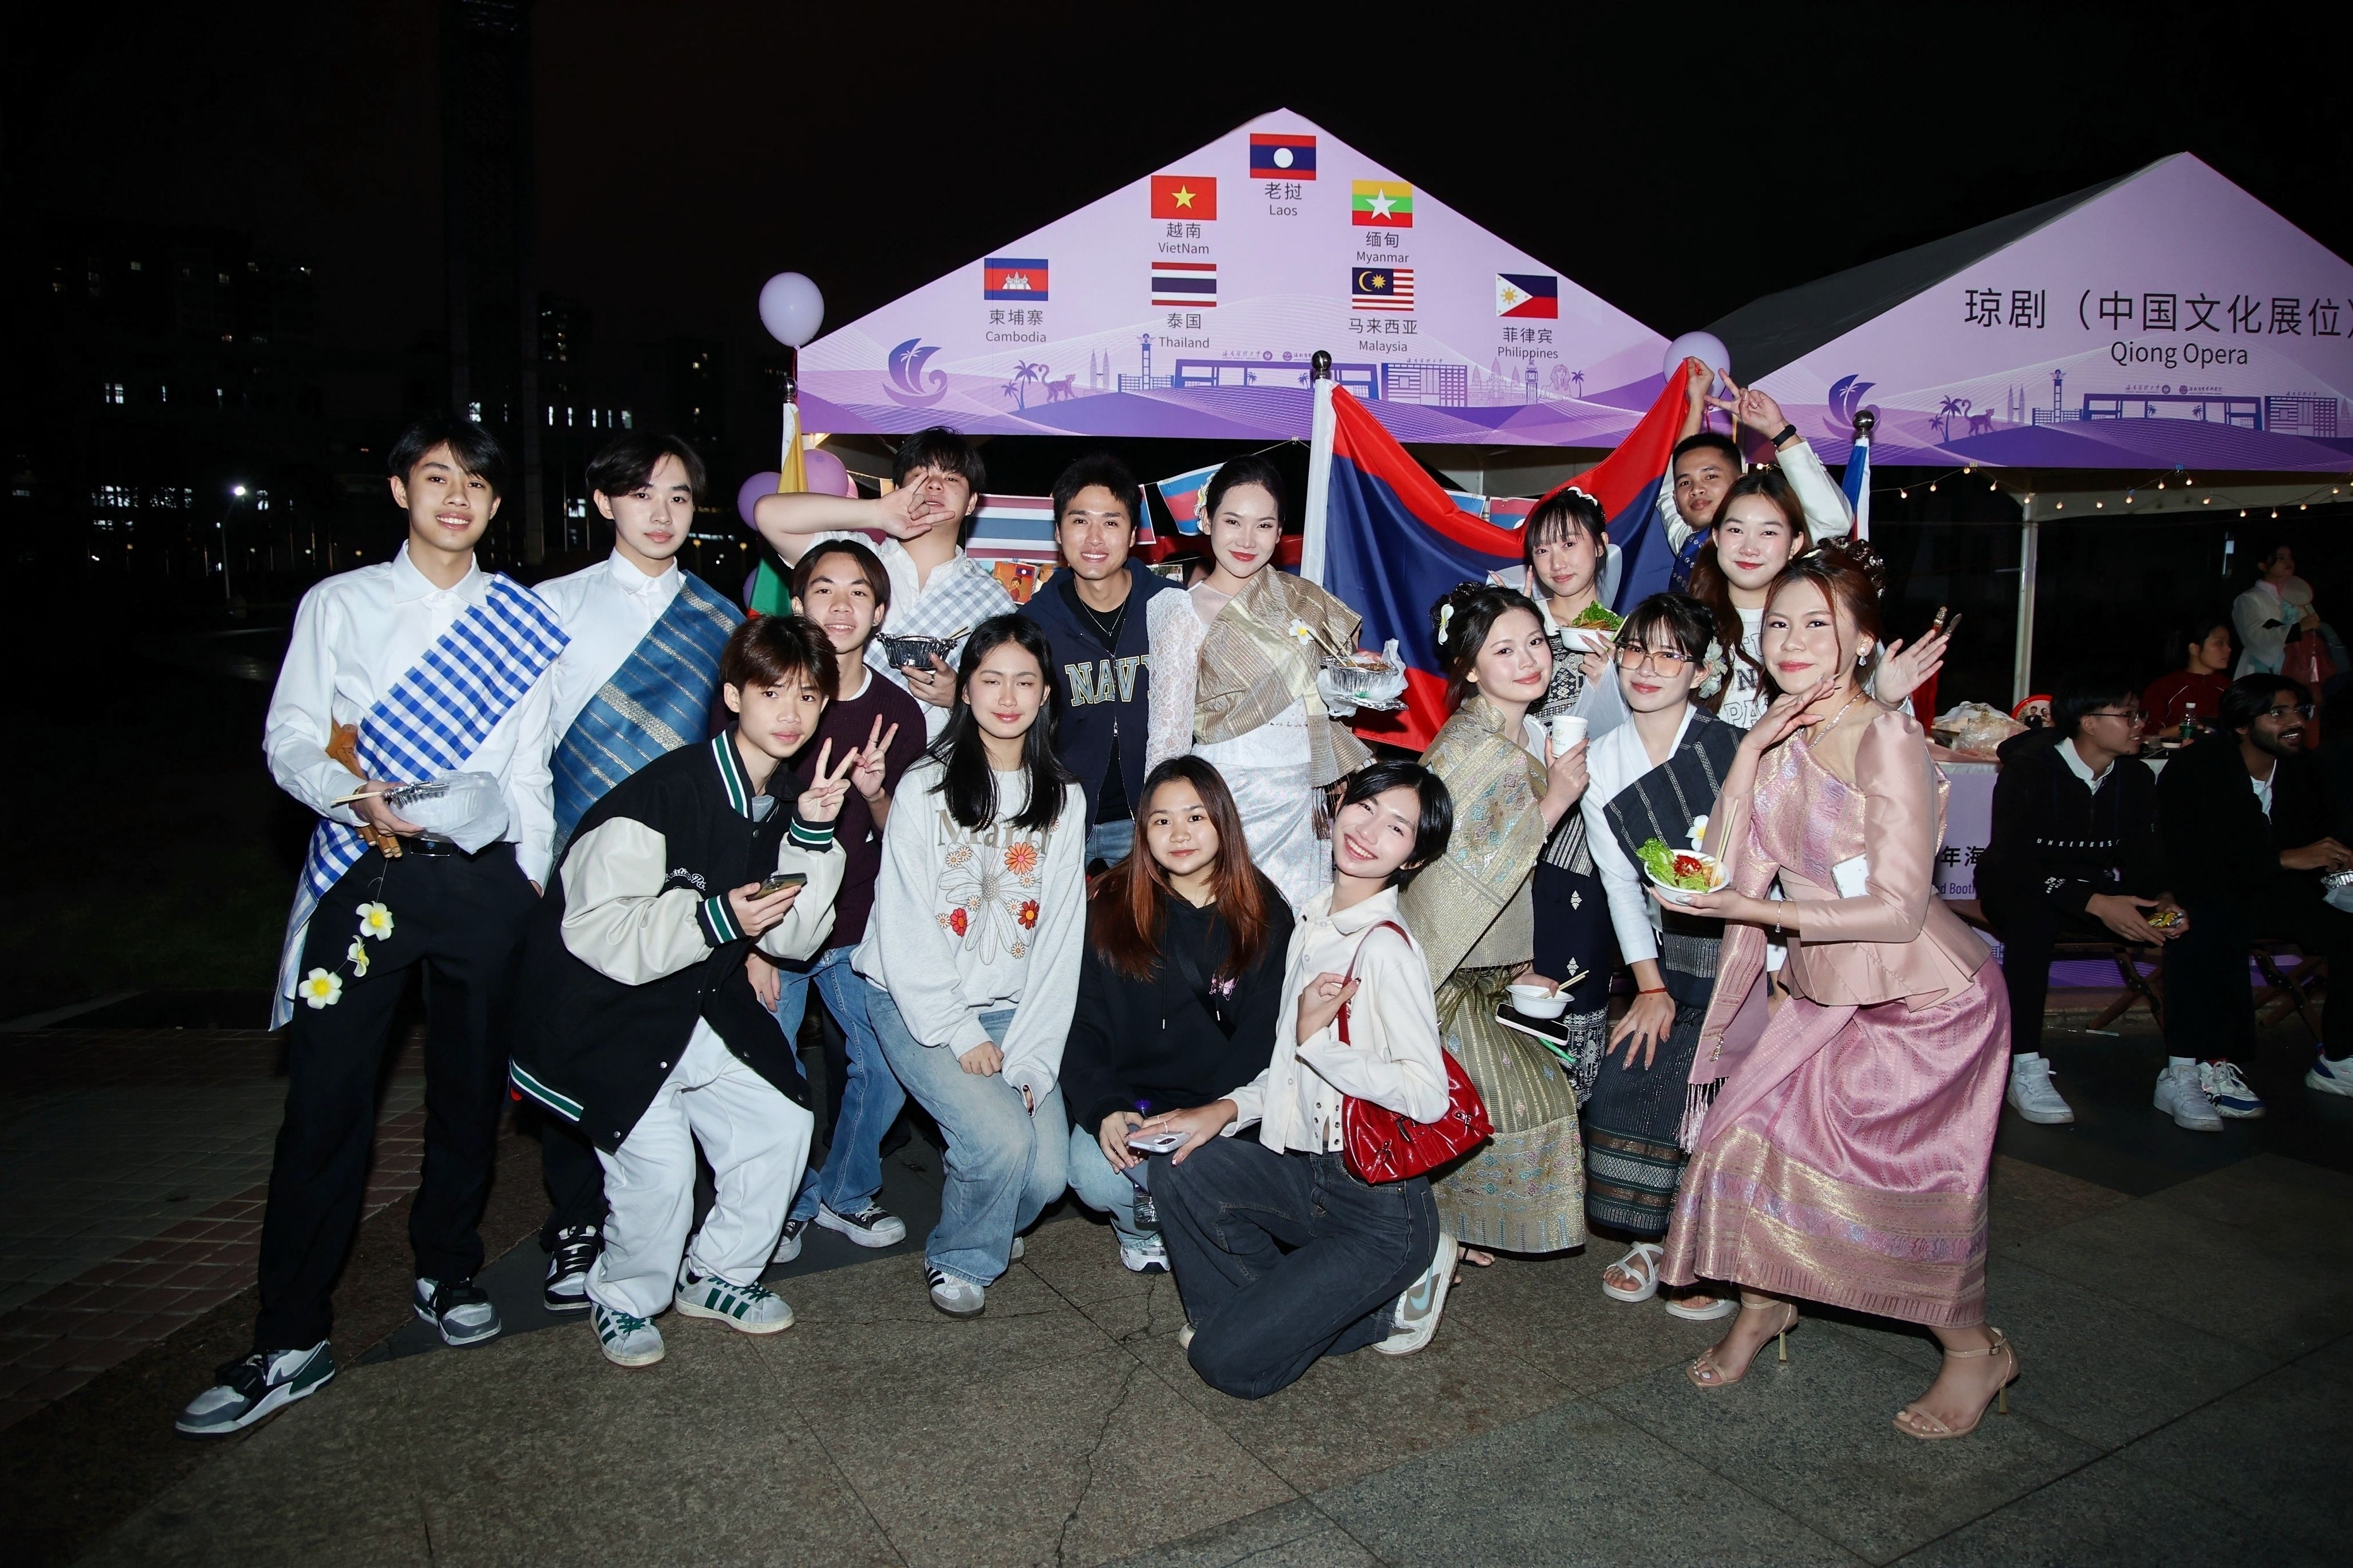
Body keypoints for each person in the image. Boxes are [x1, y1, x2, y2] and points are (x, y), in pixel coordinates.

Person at [179, 417, 567, 1437]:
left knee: (469, 1093)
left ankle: (447, 1267)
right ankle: (290, 1333)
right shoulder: (339, 604)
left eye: (476, 483)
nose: (457, 497)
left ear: (495, 504)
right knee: (326, 1103)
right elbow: (290, 736)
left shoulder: (519, 619)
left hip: (482, 883)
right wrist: (351, 797)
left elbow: (530, 768)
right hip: (368, 873)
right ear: (401, 490)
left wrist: (528, 879)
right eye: (437, 477)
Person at [1660, 540, 2022, 1442]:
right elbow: (1725, 857)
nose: (1790, 641)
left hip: (1928, 1006)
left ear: (1861, 640)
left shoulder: (1884, 736)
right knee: (1740, 1139)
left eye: (1816, 625)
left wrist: (1752, 910)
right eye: (1777, 624)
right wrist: (1749, 749)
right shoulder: (1783, 731)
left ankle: (1973, 1349)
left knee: (1907, 1188)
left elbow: (1897, 908)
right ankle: (1766, 1301)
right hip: (1828, 992)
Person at [508, 614, 852, 1366]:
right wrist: (715, 917)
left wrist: (814, 834)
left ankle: (720, 1274)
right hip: (607, 1012)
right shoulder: (665, 793)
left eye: (807, 695)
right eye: (771, 692)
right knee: (661, 1175)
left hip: (698, 1001)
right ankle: (623, 1295)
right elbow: (591, 927)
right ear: (733, 696)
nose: (791, 712)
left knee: (780, 1121)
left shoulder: (785, 799)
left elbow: (792, 940)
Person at [1141, 760, 1459, 1398]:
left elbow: (1429, 1096)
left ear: (1414, 858)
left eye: (1396, 827)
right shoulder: (1313, 923)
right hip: (1309, 1176)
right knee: (1180, 1166)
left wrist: (1320, 1044)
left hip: (1378, 1209)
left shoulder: (1385, 948)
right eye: (1364, 807)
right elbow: (1288, 1070)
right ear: (1339, 805)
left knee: (1225, 1363)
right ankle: (1260, 1316)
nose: (1368, 830)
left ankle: (1393, 1302)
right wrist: (1225, 1110)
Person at [529, 431, 743, 1313]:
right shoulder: (549, 607)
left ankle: (662, 1223)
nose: (661, 513)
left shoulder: (720, 621)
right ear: (603, 501)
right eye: (642, 493)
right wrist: (532, 864)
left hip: (676, 866)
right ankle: (576, 1220)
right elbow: (525, 750)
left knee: (663, 1033)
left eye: (679, 497)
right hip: (576, 858)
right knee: (575, 1034)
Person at [855, 615, 1088, 1317]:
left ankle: (988, 1209)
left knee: (1046, 1176)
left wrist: (1034, 1056)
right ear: (965, 690)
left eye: (1024, 681)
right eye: (991, 680)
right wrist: (959, 1030)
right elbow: (903, 923)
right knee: (999, 1140)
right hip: (915, 999)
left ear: (1046, 694)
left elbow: (1060, 939)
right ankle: (960, 1255)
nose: (1007, 697)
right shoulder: (925, 785)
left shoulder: (1064, 797)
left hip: (1014, 1009)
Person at [1404, 586, 1591, 1261]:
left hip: (1483, 965)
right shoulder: (1469, 742)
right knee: (1511, 1102)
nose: (1528, 659)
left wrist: (1518, 960)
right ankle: (1429, 1236)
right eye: (1504, 649)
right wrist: (1559, 797)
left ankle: (1444, 1231)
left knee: (1507, 1102)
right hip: (1441, 967)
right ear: (1470, 667)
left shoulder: (1526, 732)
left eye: (1535, 642)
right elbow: (1467, 863)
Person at [759, 540, 929, 1260]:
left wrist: (877, 793)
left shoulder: (899, 712)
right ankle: (787, 1202)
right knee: (772, 1070)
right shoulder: (769, 698)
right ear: (798, 603)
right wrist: (750, 943)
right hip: (772, 922)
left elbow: (906, 838)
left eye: (858, 591)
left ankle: (844, 1190)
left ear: (880, 611)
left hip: (859, 918)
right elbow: (736, 821)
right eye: (822, 588)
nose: (839, 604)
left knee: (886, 1063)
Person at [1062, 758, 1295, 1272]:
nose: (1180, 834)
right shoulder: (1110, 908)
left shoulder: (1264, 913)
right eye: (1162, 820)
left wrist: (1215, 1114)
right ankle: (1143, 1228)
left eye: (1195, 817)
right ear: (1143, 832)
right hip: (1137, 1101)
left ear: (1222, 822)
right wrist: (1106, 1106)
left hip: (1225, 1105)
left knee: (1220, 1175)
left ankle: (1206, 1216)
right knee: (1093, 1174)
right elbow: (1082, 1023)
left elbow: (1266, 1036)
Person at [1577, 592, 1740, 1319]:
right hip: (1672, 953)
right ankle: (1650, 1239)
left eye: (1671, 654)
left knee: (1725, 1095)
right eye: (1636, 649)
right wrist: (1649, 988)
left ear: (1700, 672)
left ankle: (1712, 1249)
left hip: (1753, 946)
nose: (1648, 667)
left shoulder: (1733, 746)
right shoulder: (1601, 761)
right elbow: (1619, 883)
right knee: (1636, 1069)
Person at [1146, 456, 1373, 910]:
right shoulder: (1181, 611)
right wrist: (1164, 820)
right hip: (1227, 798)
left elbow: (1328, 700)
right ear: (1206, 519)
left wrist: (1357, 680)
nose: (1247, 540)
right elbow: (1168, 735)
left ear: (1280, 531)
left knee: (1300, 925)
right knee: (1229, 925)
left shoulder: (1302, 600)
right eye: (1233, 521)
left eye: (1264, 525)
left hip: (1306, 797)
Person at [1978, 671, 2186, 1126]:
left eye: (2140, 715)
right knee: (2032, 925)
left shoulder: (2135, 777)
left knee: (2182, 926)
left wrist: (2165, 900)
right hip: (2019, 887)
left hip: (2095, 893)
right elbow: (2014, 864)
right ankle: (2023, 1064)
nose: (2141, 725)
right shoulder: (2028, 770)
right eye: (2129, 715)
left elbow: (2146, 863)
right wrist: (2095, 903)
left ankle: (2185, 1071)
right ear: (2089, 723)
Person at [2157, 675, 2353, 1112]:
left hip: (2272, 893)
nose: (2295, 722)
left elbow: (2325, 842)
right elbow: (2191, 864)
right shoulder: (2198, 766)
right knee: (2206, 919)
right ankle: (2198, 1065)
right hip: (2173, 900)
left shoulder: (2306, 769)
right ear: (2242, 725)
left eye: (2300, 711)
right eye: (2278, 713)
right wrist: (2284, 859)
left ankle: (2339, 1058)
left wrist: (2341, 866)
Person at [1488, 491, 1629, 1081]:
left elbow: (1636, 746)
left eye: (1570, 543)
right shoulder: (1519, 622)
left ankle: (1571, 1096)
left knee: (1573, 972)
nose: (1557, 561)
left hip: (1583, 837)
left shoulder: (1622, 638)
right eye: (1543, 549)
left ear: (1600, 547)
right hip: (1510, 821)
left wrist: (1613, 685)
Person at [751, 425, 1015, 739]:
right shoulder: (853, 559)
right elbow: (768, 514)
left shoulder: (991, 597)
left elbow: (1010, 694)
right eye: (921, 475)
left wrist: (962, 694)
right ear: (899, 489)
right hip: (833, 739)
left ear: (971, 502)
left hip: (938, 759)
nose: (934, 485)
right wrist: (877, 512)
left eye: (951, 478)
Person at [1018, 453, 1183, 867]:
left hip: (1151, 822)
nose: (1094, 539)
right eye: (1080, 521)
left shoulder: (1172, 610)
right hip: (1059, 820)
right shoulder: (1032, 625)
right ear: (1059, 532)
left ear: (1132, 535)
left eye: (1111, 523)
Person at [1690, 469, 1945, 731]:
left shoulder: (1837, 616)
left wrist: (1890, 702)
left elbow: (1886, 737)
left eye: (1768, 533)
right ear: (1716, 536)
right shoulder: (1687, 623)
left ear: (1795, 543)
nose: (1749, 548)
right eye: (1736, 530)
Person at [1656, 368, 1853, 589]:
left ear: (1740, 483)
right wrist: (1696, 405)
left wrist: (1778, 430)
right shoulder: (1690, 545)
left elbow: (1833, 522)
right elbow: (1667, 487)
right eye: (1686, 483)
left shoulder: (1774, 541)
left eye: (1711, 476)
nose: (1696, 489)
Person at [2141, 616, 2233, 735]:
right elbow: (2147, 735)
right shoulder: (2164, 687)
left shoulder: (2230, 688)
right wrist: (2184, 729)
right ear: (2194, 648)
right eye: (2220, 643)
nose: (2228, 649)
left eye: (2228, 644)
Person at [2233, 543, 2313, 679]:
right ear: (2263, 566)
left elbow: (2314, 626)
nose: (2288, 562)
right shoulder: (2249, 599)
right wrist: (2298, 629)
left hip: (2300, 668)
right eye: (2281, 558)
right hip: (2263, 670)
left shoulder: (2299, 595)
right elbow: (2253, 635)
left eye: (2290, 557)